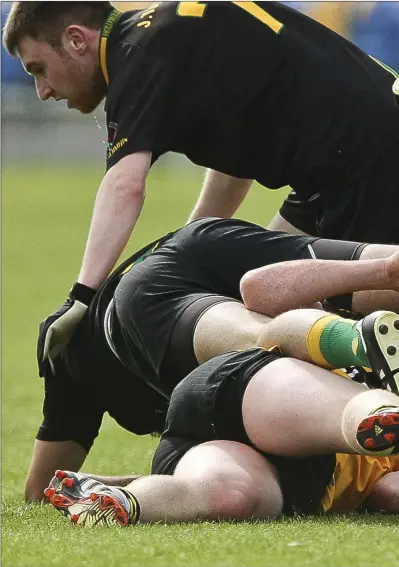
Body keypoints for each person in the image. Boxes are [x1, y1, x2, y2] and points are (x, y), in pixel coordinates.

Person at [4, 2, 399, 361]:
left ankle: (350, 426)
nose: (41, 91)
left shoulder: (136, 54)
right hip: (347, 155)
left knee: (363, 328)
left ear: (76, 39)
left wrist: (82, 296)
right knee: (265, 294)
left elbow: (124, 185)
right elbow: (237, 156)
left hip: (364, 157)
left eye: (38, 68)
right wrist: (192, 243)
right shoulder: (161, 35)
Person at [27, 217, 399, 501]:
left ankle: (351, 337)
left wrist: (120, 484)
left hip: (213, 380)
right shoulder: (75, 359)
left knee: (262, 346)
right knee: (259, 342)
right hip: (177, 284)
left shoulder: (75, 365)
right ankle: (351, 338)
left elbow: (47, 487)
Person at [46, 347, 399, 526]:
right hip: (271, 396)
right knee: (362, 415)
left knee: (228, 497)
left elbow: (387, 491)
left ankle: (123, 500)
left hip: (302, 473)